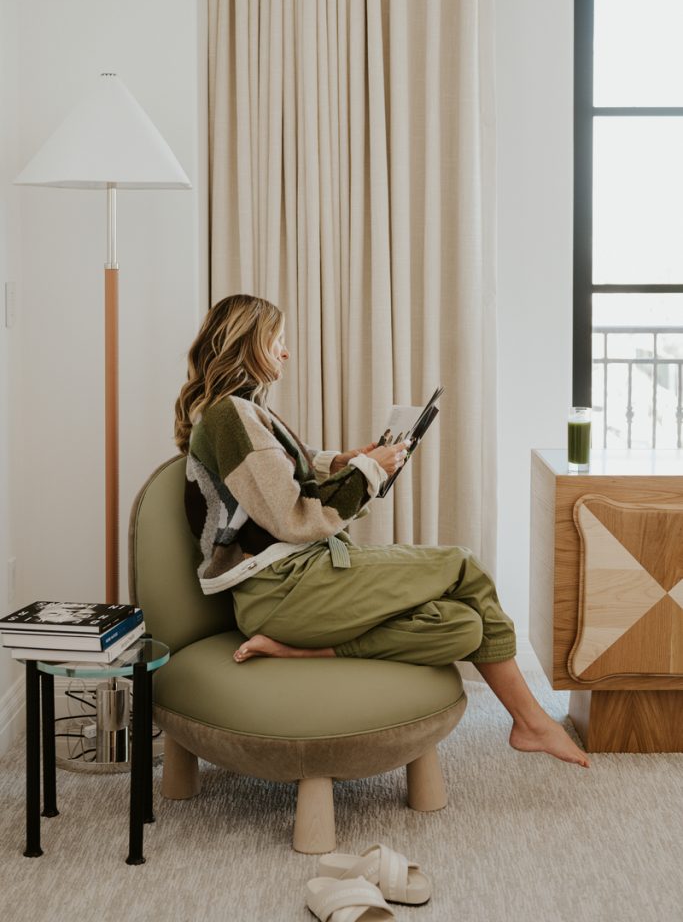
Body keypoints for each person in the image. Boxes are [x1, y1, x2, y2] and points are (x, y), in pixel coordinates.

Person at [174, 294, 589, 768]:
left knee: (462, 625)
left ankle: (305, 653)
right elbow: (293, 519)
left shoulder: (244, 412)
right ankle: (532, 722)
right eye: (278, 341)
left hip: (294, 594)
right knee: (462, 563)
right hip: (283, 590)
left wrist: (348, 460)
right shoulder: (232, 416)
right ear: (247, 344)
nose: (285, 353)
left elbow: (291, 466)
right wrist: (369, 470)